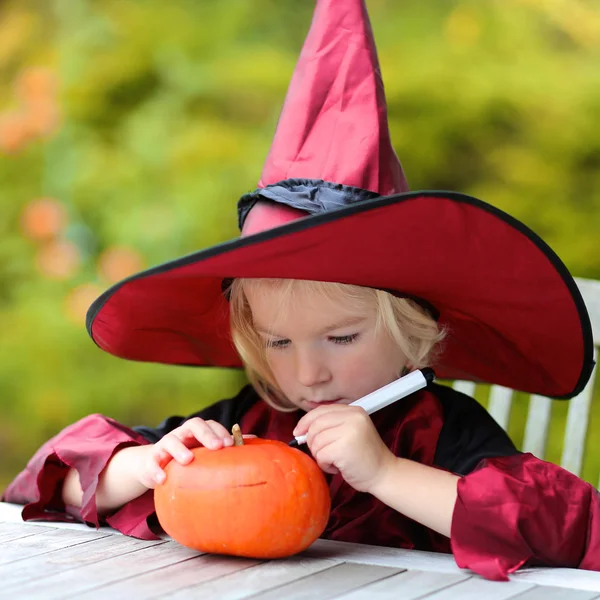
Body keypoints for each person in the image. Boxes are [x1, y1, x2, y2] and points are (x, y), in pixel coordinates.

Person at [3, 0, 600, 583]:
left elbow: (570, 531)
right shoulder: (250, 422)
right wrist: (150, 465)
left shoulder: (441, 432)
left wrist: (387, 473)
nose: (308, 373)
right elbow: (45, 485)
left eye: (340, 337)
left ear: (412, 335)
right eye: (279, 341)